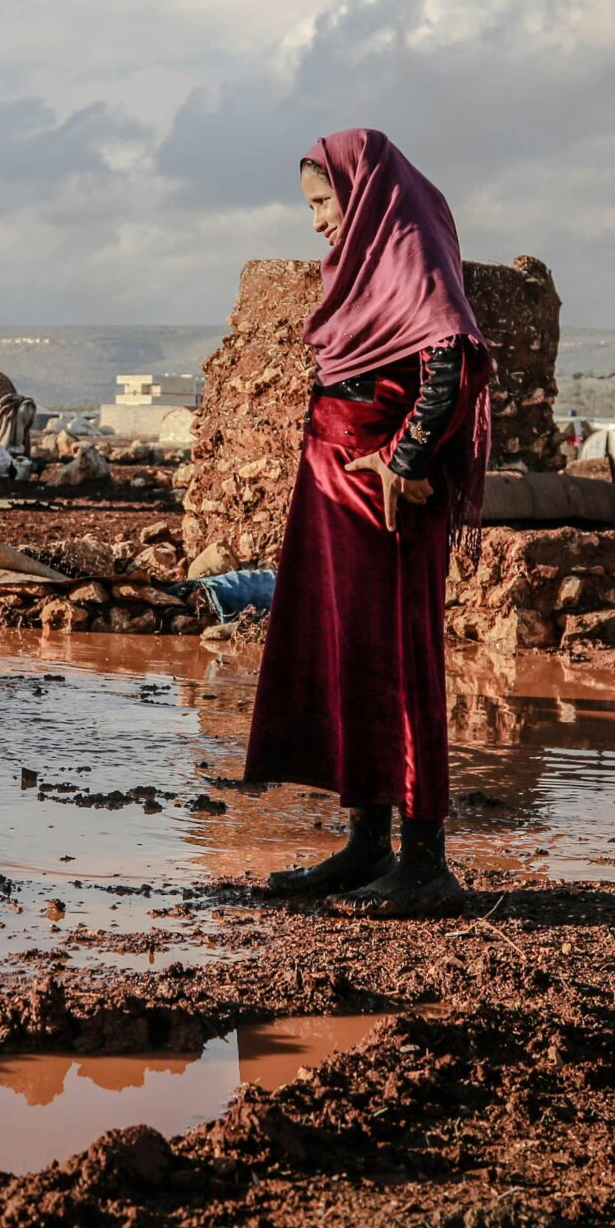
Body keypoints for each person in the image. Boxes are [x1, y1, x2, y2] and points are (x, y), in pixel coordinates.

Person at [244, 129, 492, 916]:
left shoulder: (409, 243)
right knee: (351, 655)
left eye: (323, 202)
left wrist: (406, 462)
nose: (317, 221)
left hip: (380, 494)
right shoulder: (369, 262)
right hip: (337, 487)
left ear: (366, 193)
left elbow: (450, 354)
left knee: (398, 659)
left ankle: (425, 863)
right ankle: (366, 844)